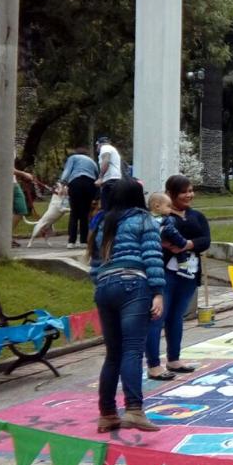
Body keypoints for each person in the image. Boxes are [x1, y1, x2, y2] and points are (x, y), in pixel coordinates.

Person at [88, 177, 164, 433]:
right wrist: (158, 292)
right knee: (132, 349)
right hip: (134, 284)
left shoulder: (104, 224)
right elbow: (152, 256)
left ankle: (107, 414)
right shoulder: (145, 220)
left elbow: (95, 266)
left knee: (113, 353)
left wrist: (102, 285)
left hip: (105, 287)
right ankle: (133, 409)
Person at [145, 175, 211, 380]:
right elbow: (156, 241)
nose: (189, 195)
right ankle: (153, 364)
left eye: (191, 190)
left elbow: (206, 240)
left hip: (189, 273)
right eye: (184, 192)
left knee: (176, 317)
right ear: (171, 194)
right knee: (158, 318)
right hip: (165, 273)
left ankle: (174, 359)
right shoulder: (159, 218)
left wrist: (187, 244)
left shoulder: (197, 216)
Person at [59, 144, 100, 249]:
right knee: (85, 214)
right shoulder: (92, 161)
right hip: (89, 184)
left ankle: (71, 241)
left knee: (74, 213)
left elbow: (67, 171)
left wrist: (62, 183)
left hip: (76, 183)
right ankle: (83, 241)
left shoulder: (73, 158)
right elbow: (97, 175)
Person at [148, 192, 196, 281]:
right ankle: (183, 268)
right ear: (157, 206)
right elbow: (172, 232)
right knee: (180, 249)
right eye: (168, 206)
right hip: (167, 242)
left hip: (154, 246)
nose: (170, 209)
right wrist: (183, 243)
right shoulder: (166, 219)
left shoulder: (146, 217)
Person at [96, 137, 123, 210]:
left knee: (106, 207)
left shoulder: (105, 148)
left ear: (99, 144)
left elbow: (106, 160)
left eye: (97, 146)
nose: (97, 148)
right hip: (115, 180)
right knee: (114, 207)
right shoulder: (113, 149)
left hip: (110, 181)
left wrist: (100, 177)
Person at [11, 163, 34, 247]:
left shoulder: (12, 150)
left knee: (19, 210)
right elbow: (9, 169)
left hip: (13, 183)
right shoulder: (6, 150)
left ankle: (6, 236)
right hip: (8, 184)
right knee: (20, 209)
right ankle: (5, 237)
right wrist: (24, 174)